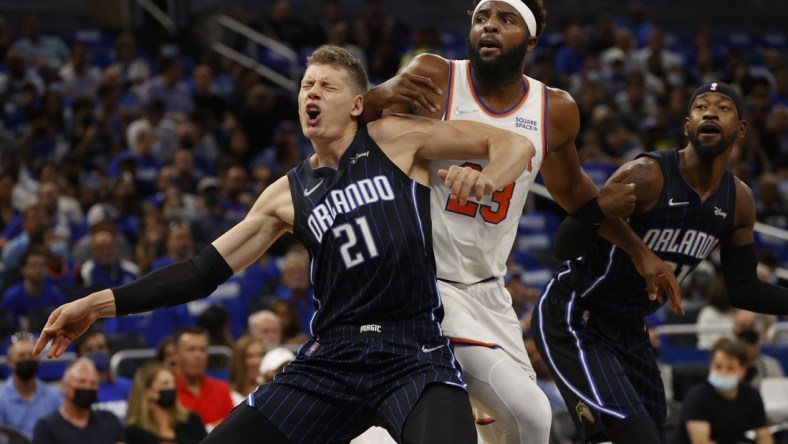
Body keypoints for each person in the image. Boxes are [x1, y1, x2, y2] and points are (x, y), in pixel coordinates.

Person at [33, 44, 534, 444]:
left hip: (414, 350)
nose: (310, 93)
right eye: (305, 85)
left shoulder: (395, 139)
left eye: (326, 85)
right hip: (333, 358)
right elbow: (201, 271)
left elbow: (513, 143)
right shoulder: (284, 195)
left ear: (357, 104)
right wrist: (96, 306)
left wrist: (490, 178)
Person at [363, 1, 680, 442]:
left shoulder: (555, 109)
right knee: (527, 415)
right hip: (423, 284)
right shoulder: (435, 76)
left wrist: (638, 250)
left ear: (530, 40)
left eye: (505, 19)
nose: (489, 26)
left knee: (523, 432)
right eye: (481, 19)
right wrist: (372, 100)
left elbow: (570, 190)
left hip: (489, 290)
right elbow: (358, 134)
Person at [533, 82, 788, 444]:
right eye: (701, 107)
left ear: (741, 128)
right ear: (687, 124)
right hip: (576, 313)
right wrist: (600, 211)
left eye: (723, 107)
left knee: (650, 432)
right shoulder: (647, 176)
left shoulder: (739, 200)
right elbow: (565, 245)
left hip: (629, 327)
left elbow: (743, 288)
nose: (711, 112)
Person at [675, 338, 773, 444]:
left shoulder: (752, 396)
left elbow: (763, 435)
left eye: (730, 368)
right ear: (710, 365)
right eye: (718, 366)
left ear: (742, 371)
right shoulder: (697, 398)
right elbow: (701, 441)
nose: (723, 372)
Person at [32, 358, 124, 444]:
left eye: (93, 383)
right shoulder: (47, 428)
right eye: (81, 381)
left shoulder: (109, 420)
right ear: (64, 385)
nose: (88, 387)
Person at [125, 361, 207, 444]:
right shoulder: (134, 432)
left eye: (174, 383)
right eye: (165, 383)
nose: (172, 387)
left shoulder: (191, 421)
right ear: (147, 390)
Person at [0, 332, 61, 439]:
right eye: (21, 355)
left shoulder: (53, 396)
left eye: (32, 355)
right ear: (9, 361)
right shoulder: (1, 398)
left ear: (39, 360)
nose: (27, 359)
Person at [170, 327, 234, 429]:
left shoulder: (221, 389)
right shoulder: (165, 390)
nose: (198, 355)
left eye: (202, 350)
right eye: (191, 349)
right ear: (176, 354)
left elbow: (231, 429)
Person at [228, 334, 265, 405]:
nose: (256, 361)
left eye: (260, 355)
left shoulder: (268, 386)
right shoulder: (229, 394)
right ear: (239, 361)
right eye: (250, 356)